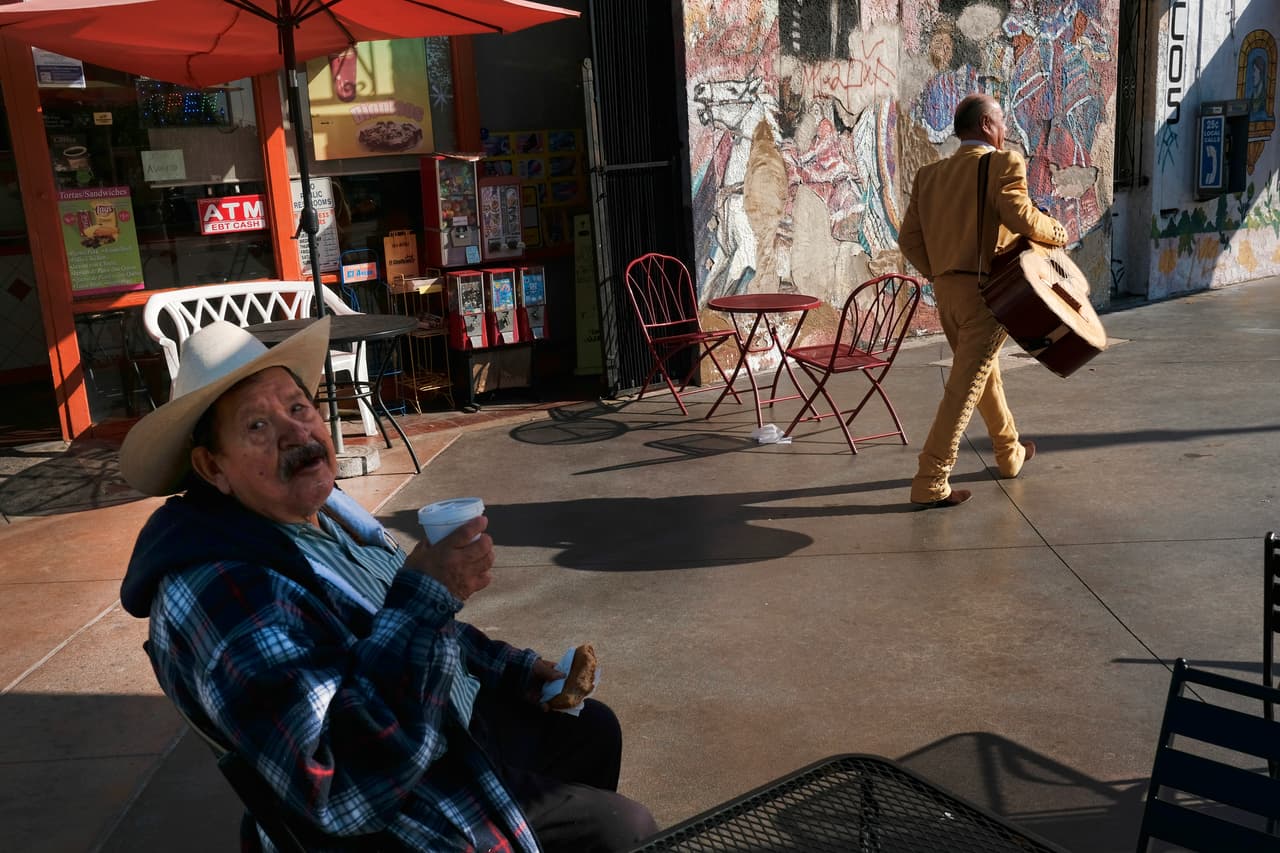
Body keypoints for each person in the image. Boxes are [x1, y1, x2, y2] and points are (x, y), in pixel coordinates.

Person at [117, 318, 657, 852]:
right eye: (257, 425)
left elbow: (390, 623)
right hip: (395, 796)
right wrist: (429, 594)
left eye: (299, 408)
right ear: (213, 467)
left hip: (436, 725)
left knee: (591, 730)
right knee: (622, 829)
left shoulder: (322, 513)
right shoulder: (226, 590)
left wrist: (511, 668)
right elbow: (339, 783)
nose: (297, 434)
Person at [897, 93, 1069, 508]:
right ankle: (931, 478)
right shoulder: (1003, 163)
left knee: (983, 374)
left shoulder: (929, 175)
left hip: (947, 294)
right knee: (964, 387)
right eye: (1002, 121)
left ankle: (1009, 453)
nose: (1006, 129)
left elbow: (908, 240)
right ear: (987, 125)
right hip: (987, 294)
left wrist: (939, 273)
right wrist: (1058, 232)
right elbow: (1020, 217)